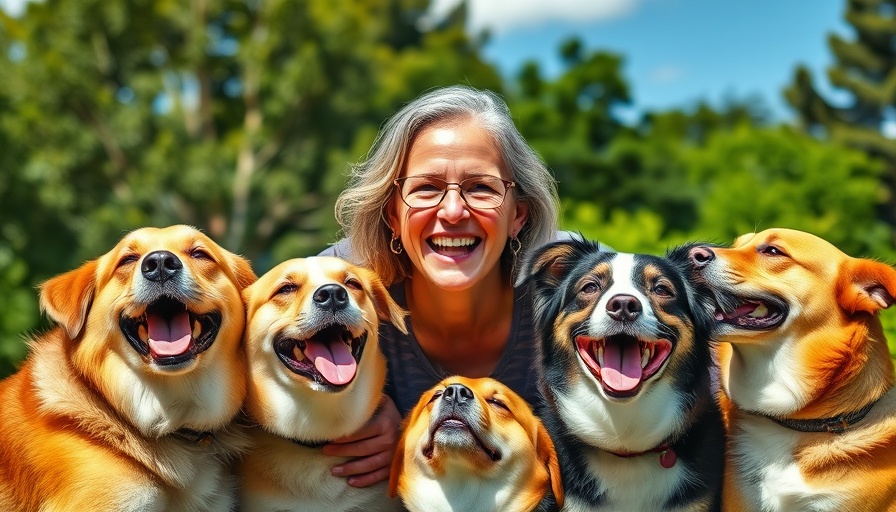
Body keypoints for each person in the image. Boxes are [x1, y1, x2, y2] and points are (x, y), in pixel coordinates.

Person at [318, 85, 581, 488]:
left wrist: (409, 430)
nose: (454, 211)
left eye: (481, 187)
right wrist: (354, 408)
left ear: (518, 216)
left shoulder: (578, 283)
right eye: (426, 187)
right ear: (393, 213)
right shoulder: (340, 285)